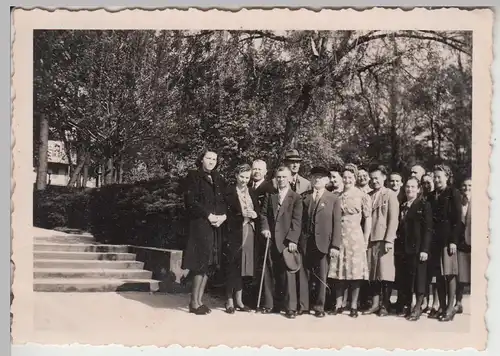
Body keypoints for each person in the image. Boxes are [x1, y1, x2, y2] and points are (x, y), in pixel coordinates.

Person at [181, 149, 228, 315]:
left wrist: (222, 216)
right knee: (200, 263)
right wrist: (208, 215)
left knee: (210, 263)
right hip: (200, 225)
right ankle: (193, 303)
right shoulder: (193, 176)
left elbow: (223, 201)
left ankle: (199, 301)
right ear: (201, 159)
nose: (212, 161)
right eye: (208, 158)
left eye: (214, 159)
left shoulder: (218, 178)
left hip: (215, 225)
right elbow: (191, 201)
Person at [328, 163, 372, 318]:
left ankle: (353, 305)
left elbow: (368, 218)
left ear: (354, 178)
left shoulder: (362, 196)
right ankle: (338, 304)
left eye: (350, 177)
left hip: (355, 236)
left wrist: (366, 239)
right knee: (339, 272)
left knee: (355, 272)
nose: (347, 180)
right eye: (345, 177)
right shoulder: (337, 196)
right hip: (340, 236)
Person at [260, 166, 303, 319]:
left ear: (290, 178)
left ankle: (290, 307)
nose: (281, 180)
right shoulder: (270, 195)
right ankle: (270, 304)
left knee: (288, 273)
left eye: (284, 177)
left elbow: (297, 221)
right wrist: (265, 228)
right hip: (270, 240)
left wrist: (293, 239)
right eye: (278, 177)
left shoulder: (296, 198)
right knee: (269, 272)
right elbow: (263, 214)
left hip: (286, 241)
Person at [298, 166, 340, 317]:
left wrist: (335, 245)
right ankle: (303, 306)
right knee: (304, 275)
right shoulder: (304, 197)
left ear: (327, 180)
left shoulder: (333, 199)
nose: (317, 180)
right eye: (315, 177)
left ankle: (319, 307)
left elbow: (337, 223)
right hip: (306, 242)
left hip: (324, 243)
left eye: (321, 177)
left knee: (322, 275)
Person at [427, 164, 462, 322]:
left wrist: (453, 241)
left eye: (439, 176)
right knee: (438, 276)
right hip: (435, 242)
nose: (436, 179)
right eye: (435, 177)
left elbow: (457, 220)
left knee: (449, 274)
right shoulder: (432, 195)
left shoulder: (453, 193)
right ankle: (442, 305)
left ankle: (450, 308)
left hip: (448, 241)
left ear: (447, 177)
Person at [223, 164, 261, 314]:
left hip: (249, 231)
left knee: (244, 266)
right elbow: (226, 213)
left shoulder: (252, 191)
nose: (244, 180)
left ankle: (239, 300)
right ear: (236, 176)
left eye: (247, 177)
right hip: (234, 232)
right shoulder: (229, 191)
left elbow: (257, 210)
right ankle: (229, 300)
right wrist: (241, 216)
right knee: (233, 265)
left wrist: (254, 214)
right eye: (242, 177)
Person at [363, 165, 399, 317]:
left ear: (384, 177)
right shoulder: (369, 195)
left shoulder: (390, 194)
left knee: (385, 273)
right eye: (372, 178)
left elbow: (393, 219)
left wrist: (389, 239)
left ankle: (385, 305)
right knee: (373, 273)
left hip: (384, 239)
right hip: (371, 238)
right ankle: (375, 303)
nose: (374, 181)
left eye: (377, 178)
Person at [395, 177, 433, 321]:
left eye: (412, 187)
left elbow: (428, 229)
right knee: (408, 277)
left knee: (419, 278)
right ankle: (409, 305)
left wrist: (425, 249)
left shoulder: (424, 205)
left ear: (418, 189)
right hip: (405, 248)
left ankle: (418, 306)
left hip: (418, 248)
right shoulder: (403, 205)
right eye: (407, 187)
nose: (409, 189)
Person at [455, 177, 471, 314]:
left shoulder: (482, 200)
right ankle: (458, 302)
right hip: (462, 242)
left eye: (470, 185)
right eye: (464, 186)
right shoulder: (459, 203)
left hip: (476, 242)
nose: (467, 188)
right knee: (461, 275)